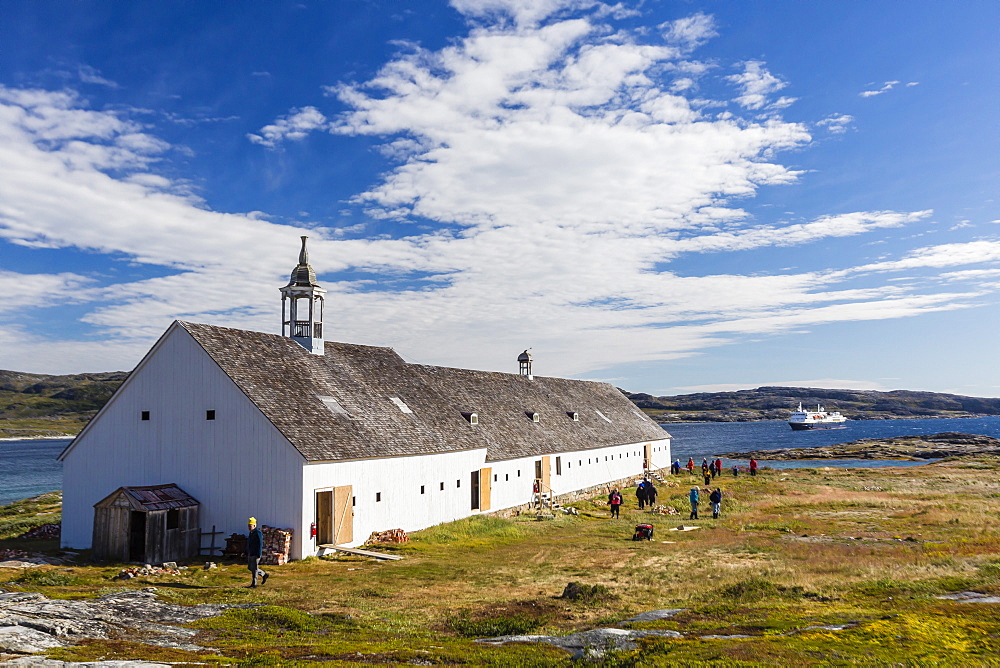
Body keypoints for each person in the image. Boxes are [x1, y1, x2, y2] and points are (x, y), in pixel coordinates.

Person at [247, 517, 268, 588]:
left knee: (254, 569)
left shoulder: (258, 533)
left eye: (250, 526)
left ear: (254, 526)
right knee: (250, 567)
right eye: (248, 526)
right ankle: (264, 574)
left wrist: (259, 554)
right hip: (251, 553)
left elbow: (260, 544)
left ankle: (254, 584)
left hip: (256, 554)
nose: (249, 527)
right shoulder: (251, 533)